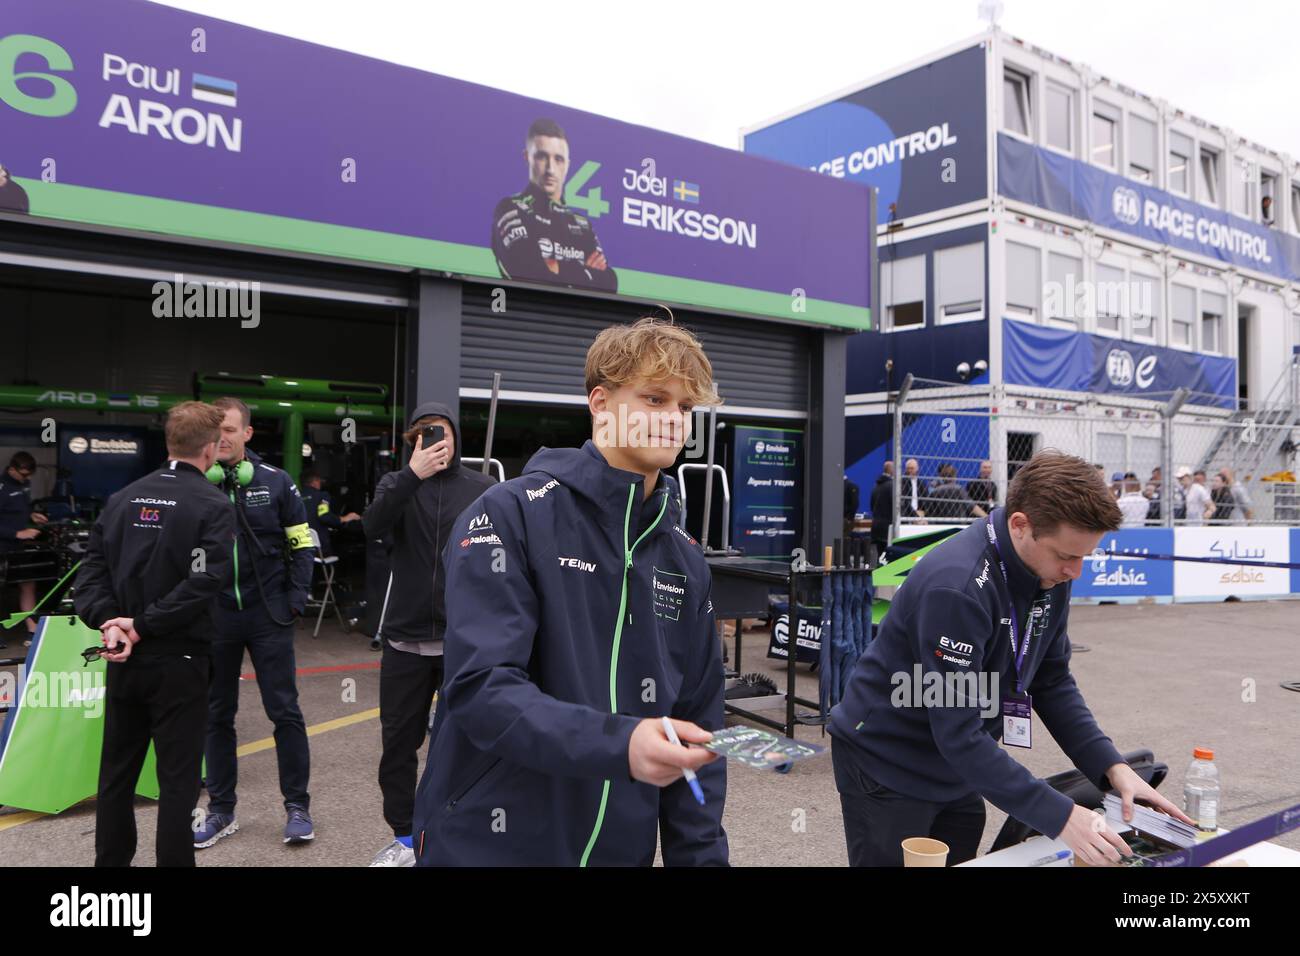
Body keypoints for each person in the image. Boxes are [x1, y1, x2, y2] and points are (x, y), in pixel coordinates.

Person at [411, 317, 727, 866]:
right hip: (491, 846)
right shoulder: (509, 515)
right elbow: (483, 689)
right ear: (601, 403)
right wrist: (620, 745)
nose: (674, 420)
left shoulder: (685, 559)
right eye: (655, 399)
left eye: (685, 408)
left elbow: (699, 730)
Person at [829, 452, 1192, 866]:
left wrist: (1111, 767)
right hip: (888, 763)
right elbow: (958, 732)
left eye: (1084, 557)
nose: (1076, 571)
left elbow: (1052, 680)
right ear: (1020, 525)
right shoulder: (959, 588)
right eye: (1067, 556)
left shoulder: (1050, 569)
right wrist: (1061, 817)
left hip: (960, 766)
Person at [73, 402, 235, 866]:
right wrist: (139, 626)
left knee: (117, 775)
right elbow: (205, 582)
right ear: (210, 448)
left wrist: (111, 623)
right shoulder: (212, 505)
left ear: (170, 443)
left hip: (123, 658)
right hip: (179, 663)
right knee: (178, 781)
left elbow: (90, 573)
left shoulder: (123, 498)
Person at [363, 403, 495, 867]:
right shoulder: (396, 485)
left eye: (444, 433)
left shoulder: (482, 488)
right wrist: (410, 478)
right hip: (404, 639)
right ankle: (403, 836)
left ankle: (451, 830)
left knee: (462, 740)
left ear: (457, 437)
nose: (438, 441)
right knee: (398, 743)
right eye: (426, 434)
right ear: (413, 441)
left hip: (461, 640)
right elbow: (372, 527)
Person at [195, 396, 317, 849]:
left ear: (247, 433)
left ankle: (298, 807)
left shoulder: (277, 482)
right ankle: (222, 811)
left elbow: (302, 544)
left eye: (229, 429)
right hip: (215, 618)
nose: (221, 438)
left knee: (284, 711)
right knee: (216, 714)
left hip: (269, 615)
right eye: (214, 430)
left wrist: (296, 601)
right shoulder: (196, 483)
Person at [492, 118, 617, 292]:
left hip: (575, 316)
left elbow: (610, 282)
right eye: (542, 156)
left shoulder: (581, 224)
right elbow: (527, 270)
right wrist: (586, 273)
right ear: (527, 157)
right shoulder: (510, 208)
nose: (550, 169)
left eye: (558, 159)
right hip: (521, 313)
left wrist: (555, 267)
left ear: (567, 165)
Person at [0, 451, 49, 646]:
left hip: (19, 548)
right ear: (12, 469)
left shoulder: (24, 485)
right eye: (23, 474)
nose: (27, 478)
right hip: (3, 545)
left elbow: (20, 509)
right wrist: (16, 534)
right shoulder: (2, 487)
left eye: (29, 475)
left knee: (28, 585)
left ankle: (32, 630)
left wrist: (32, 516)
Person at [300, 468, 360, 556]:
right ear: (315, 481)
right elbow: (324, 516)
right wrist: (344, 518)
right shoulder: (322, 495)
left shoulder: (295, 498)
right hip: (319, 549)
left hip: (298, 548)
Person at [869, 460, 894, 565]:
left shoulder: (876, 486)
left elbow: (871, 506)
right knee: (888, 558)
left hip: (876, 527)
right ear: (892, 470)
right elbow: (896, 506)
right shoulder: (892, 486)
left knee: (880, 557)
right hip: (888, 528)